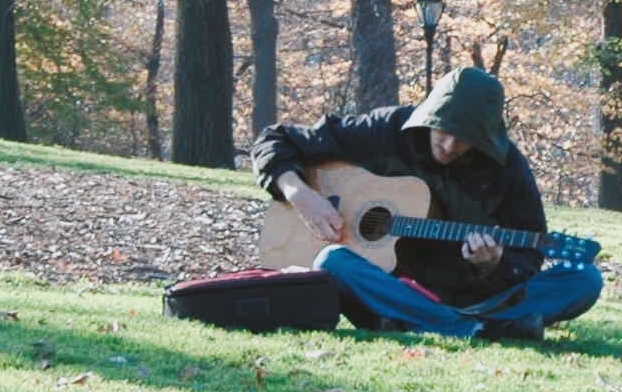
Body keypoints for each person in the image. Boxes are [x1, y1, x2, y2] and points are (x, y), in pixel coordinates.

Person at [247, 65, 601, 341]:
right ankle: (475, 329)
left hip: (467, 293)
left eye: (463, 142)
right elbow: (275, 138)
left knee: (585, 278)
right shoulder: (388, 129)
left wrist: (493, 265)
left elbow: (530, 246)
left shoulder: (506, 166)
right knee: (330, 259)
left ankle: (447, 323)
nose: (448, 146)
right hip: (387, 287)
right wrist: (298, 192)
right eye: (442, 132)